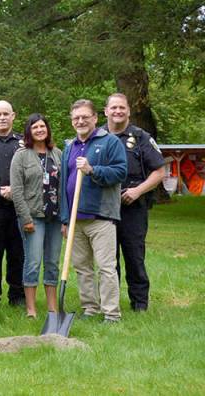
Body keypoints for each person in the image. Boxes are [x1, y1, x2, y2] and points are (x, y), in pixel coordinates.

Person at [59, 99, 127, 323]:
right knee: (82, 267)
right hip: (75, 219)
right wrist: (65, 218)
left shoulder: (110, 142)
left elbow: (120, 172)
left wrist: (92, 170)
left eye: (85, 117)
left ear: (95, 118)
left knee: (106, 268)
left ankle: (111, 314)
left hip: (101, 216)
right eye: (76, 118)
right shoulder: (69, 147)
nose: (80, 121)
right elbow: (63, 184)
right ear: (72, 121)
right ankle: (90, 308)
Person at [104, 93, 165, 311]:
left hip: (133, 208)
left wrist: (138, 191)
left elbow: (159, 171)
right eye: (113, 108)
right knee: (107, 261)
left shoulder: (141, 137)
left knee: (134, 257)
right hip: (104, 209)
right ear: (106, 111)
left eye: (122, 108)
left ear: (128, 111)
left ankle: (139, 304)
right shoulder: (97, 136)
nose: (117, 111)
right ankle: (110, 305)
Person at [10, 114, 63, 318]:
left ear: (47, 129)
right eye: (35, 127)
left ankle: (52, 308)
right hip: (33, 216)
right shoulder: (21, 155)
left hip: (55, 216)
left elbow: (64, 186)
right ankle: (31, 309)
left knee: (52, 262)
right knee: (33, 262)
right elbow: (16, 190)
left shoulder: (57, 154)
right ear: (29, 132)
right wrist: (26, 219)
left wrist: (65, 218)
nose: (40, 130)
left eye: (43, 126)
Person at [0, 100, 25, 306]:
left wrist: (15, 191)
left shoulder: (23, 143)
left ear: (13, 116)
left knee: (18, 254)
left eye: (6, 114)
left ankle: (17, 295)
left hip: (19, 207)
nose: (2, 118)